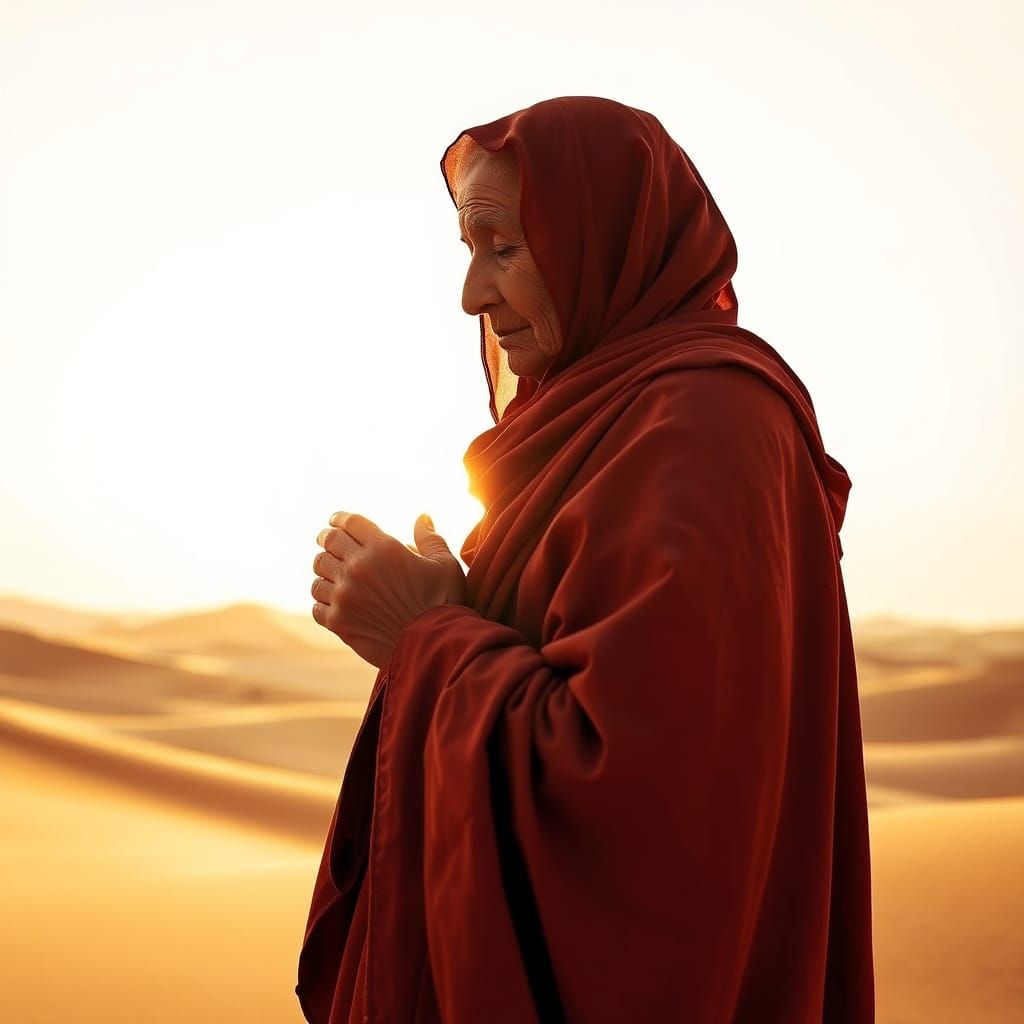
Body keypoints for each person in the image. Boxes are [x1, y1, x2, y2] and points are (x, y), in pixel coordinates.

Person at [297, 95, 875, 1023]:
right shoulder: (609, 425)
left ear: (606, 237)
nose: (471, 297)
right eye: (467, 250)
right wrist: (460, 611)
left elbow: (640, 827)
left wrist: (423, 634)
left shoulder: (706, 431)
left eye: (504, 248)